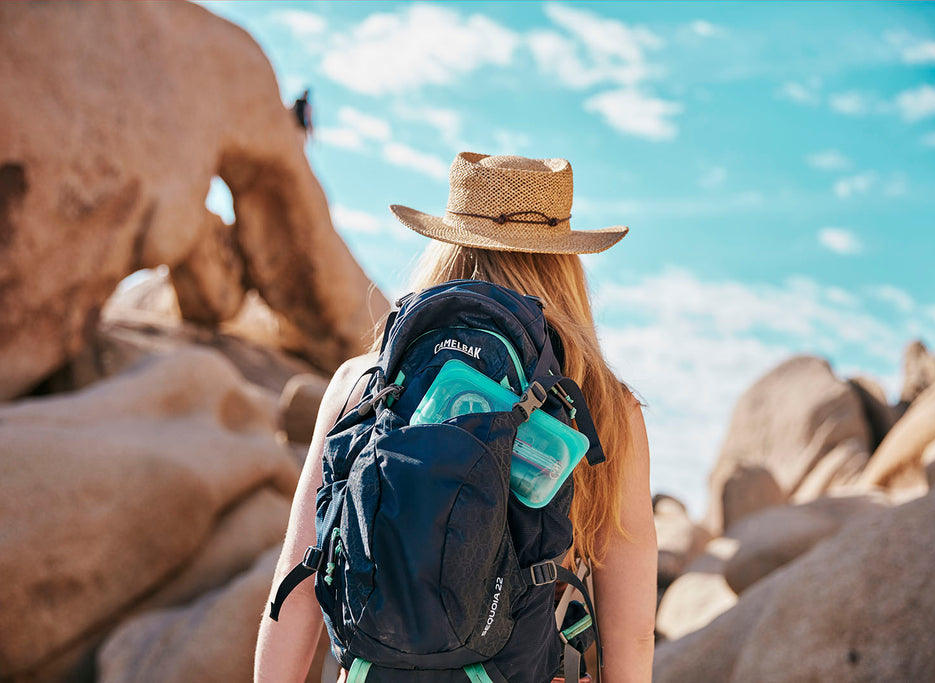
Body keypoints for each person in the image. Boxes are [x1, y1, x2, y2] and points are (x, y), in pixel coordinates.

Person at [255, 152, 657, 682]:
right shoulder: (602, 404)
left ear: (445, 244)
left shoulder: (366, 380)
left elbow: (299, 583)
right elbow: (631, 633)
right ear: (566, 261)